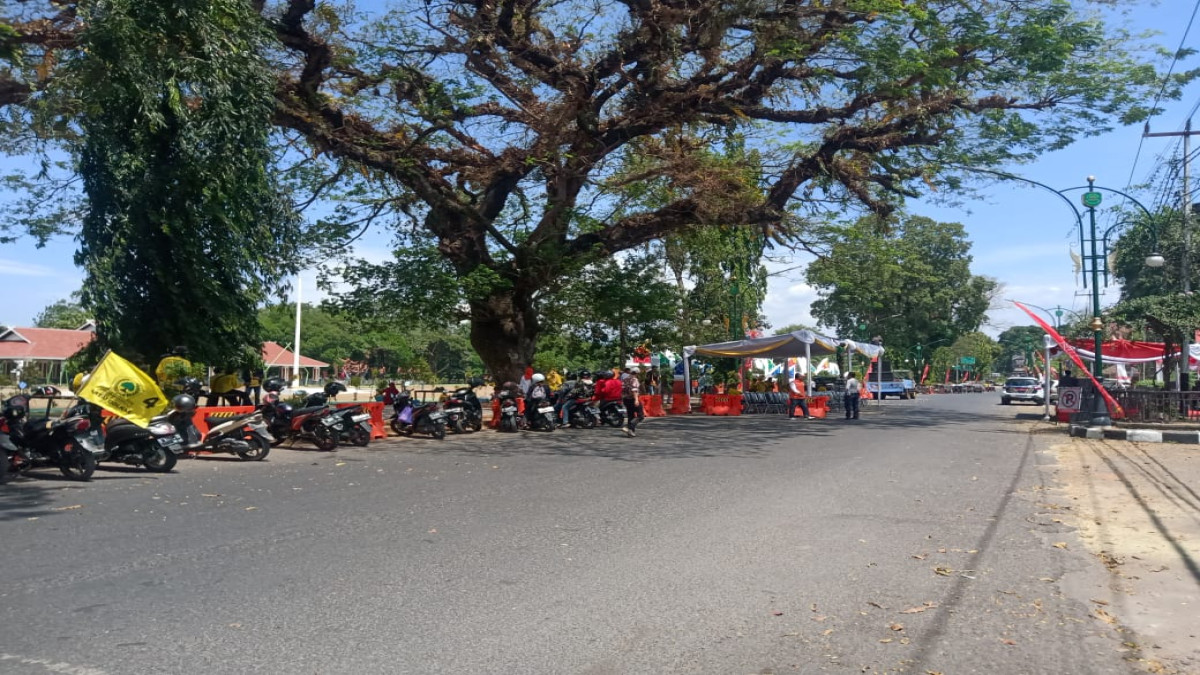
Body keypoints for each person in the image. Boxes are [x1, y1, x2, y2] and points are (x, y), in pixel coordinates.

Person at [620, 368, 644, 437]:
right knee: (640, 416)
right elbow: (634, 390)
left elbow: (622, 389)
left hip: (626, 399)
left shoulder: (625, 379)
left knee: (631, 415)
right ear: (637, 373)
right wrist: (636, 400)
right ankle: (628, 427)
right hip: (632, 399)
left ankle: (630, 432)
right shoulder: (634, 380)